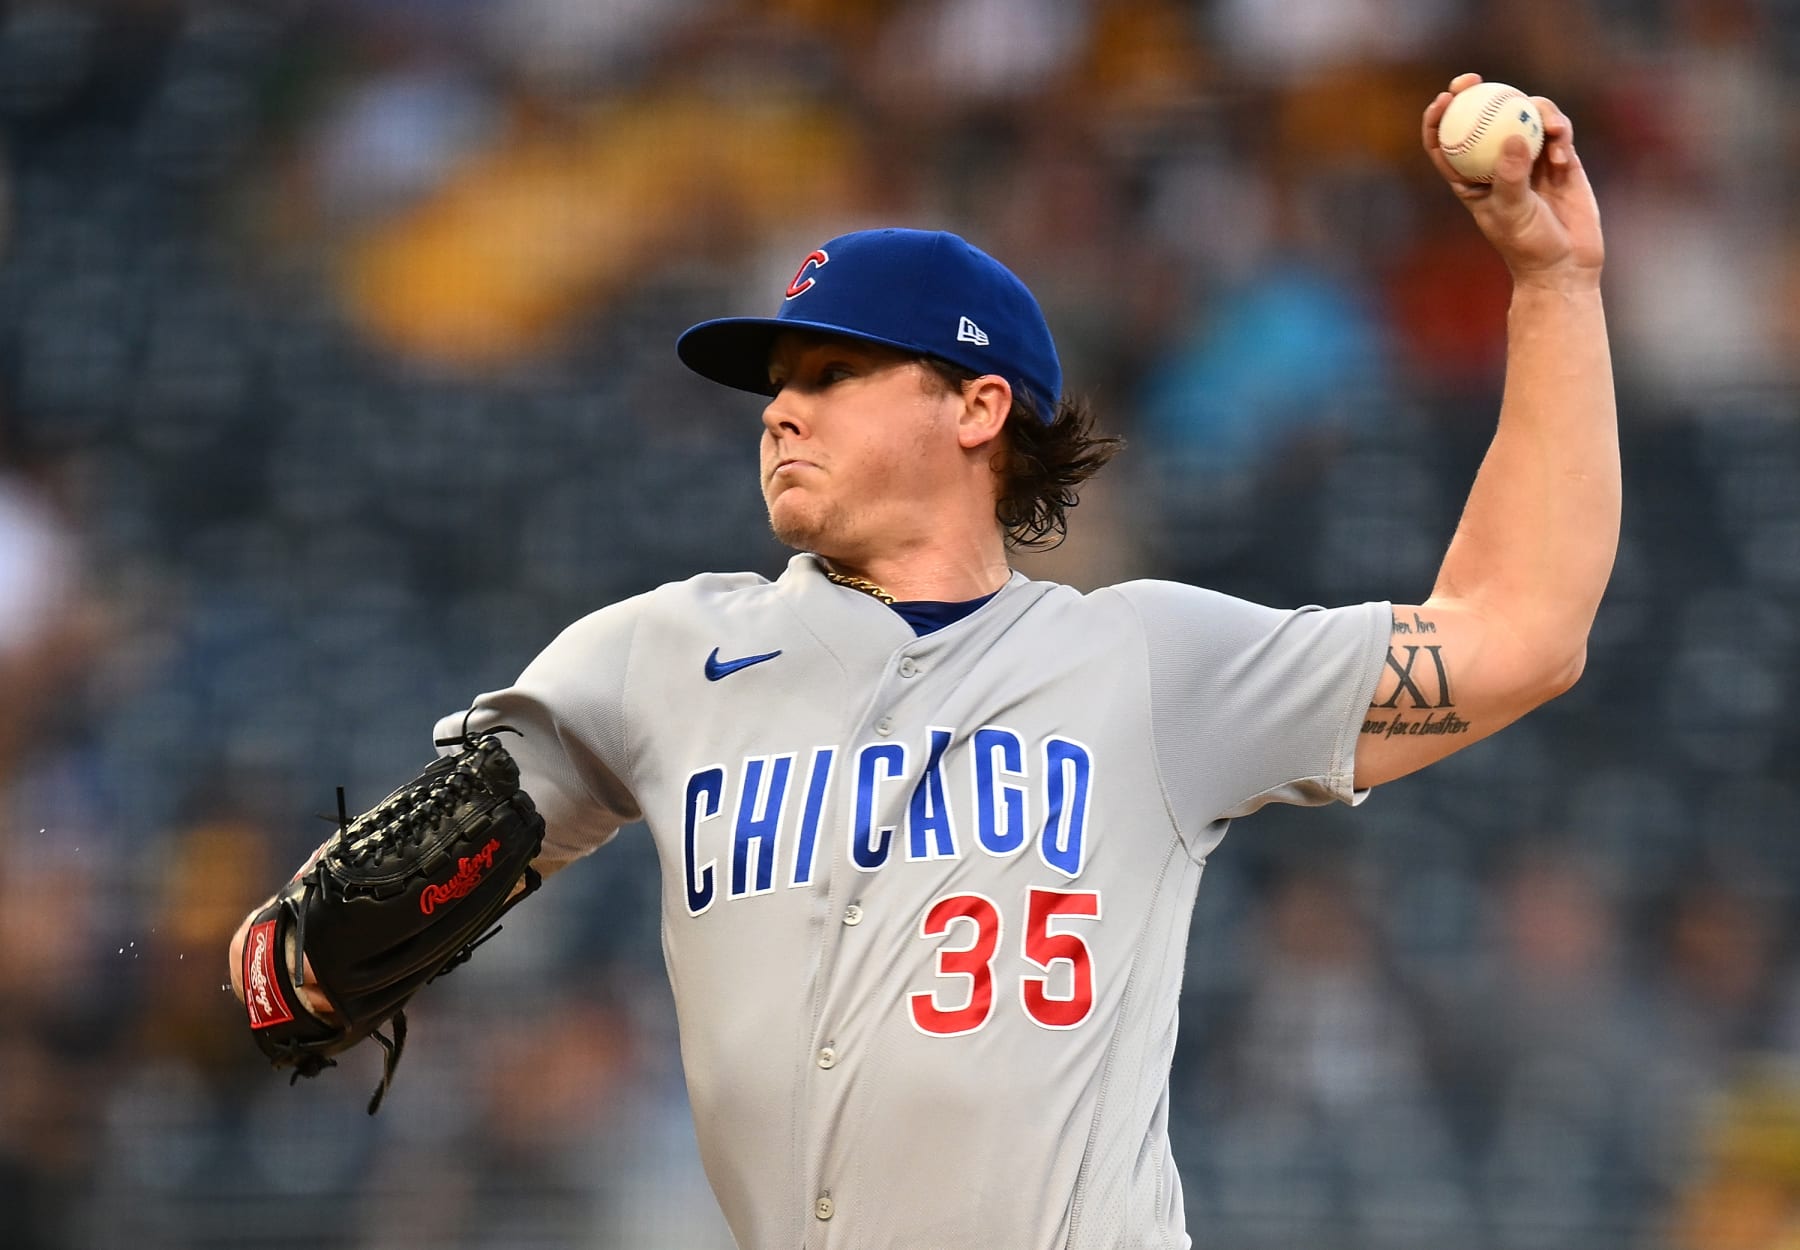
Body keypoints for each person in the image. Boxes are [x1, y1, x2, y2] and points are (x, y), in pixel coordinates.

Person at [230, 74, 1615, 1249]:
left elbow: (1522, 631)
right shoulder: (656, 658)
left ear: (976, 404)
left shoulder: (1147, 662)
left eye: (830, 374)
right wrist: (291, 943)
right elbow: (369, 897)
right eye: (773, 382)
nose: (780, 408)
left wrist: (1552, 281)